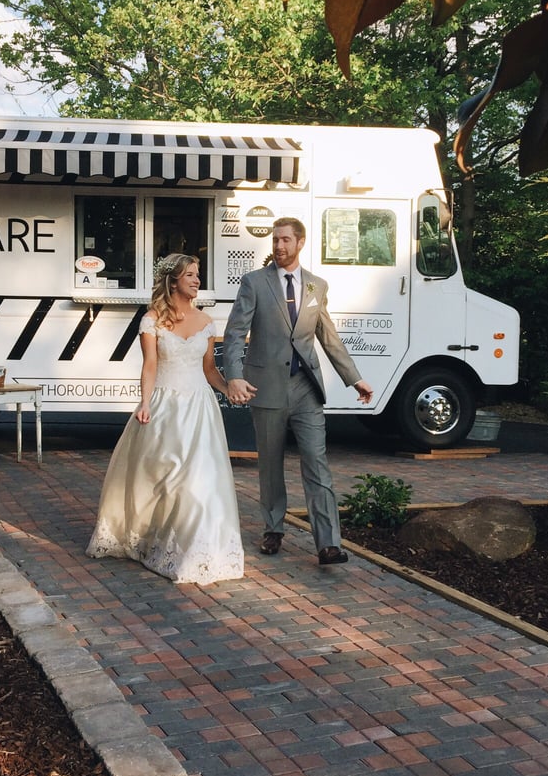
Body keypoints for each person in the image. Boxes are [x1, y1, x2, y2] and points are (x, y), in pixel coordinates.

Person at [86, 253, 244, 585]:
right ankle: (159, 539)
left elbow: (209, 370)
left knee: (200, 482)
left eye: (198, 274)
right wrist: (144, 403)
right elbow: (150, 367)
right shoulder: (152, 320)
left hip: (200, 409)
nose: (197, 280)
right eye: (190, 275)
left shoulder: (206, 321)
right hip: (166, 407)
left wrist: (228, 387)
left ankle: (197, 549)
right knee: (166, 481)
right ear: (173, 281)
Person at [223, 217, 373, 565]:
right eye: (275, 240)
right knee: (271, 465)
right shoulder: (254, 283)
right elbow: (234, 334)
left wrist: (355, 378)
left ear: (300, 242)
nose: (278, 246)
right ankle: (274, 528)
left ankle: (328, 543)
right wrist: (233, 376)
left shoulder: (316, 287)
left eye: (286, 240)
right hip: (266, 386)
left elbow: (328, 336)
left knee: (316, 463)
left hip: (306, 388)